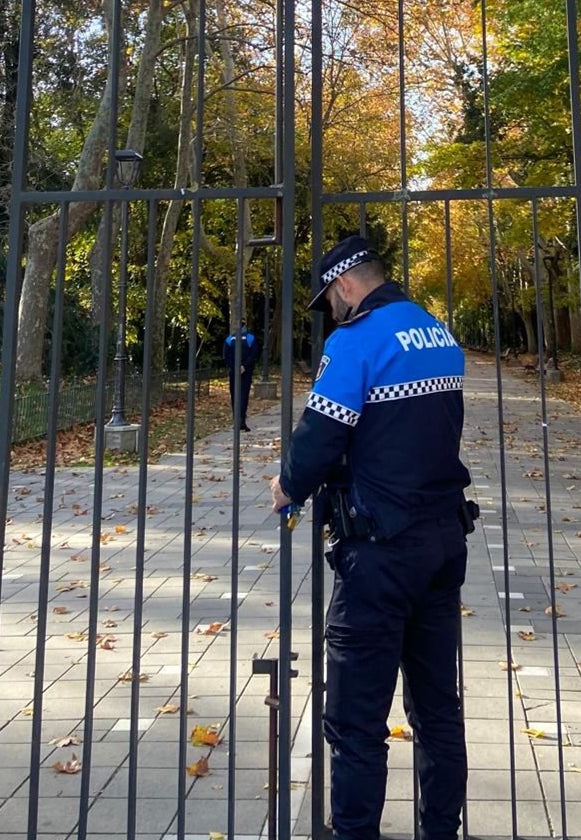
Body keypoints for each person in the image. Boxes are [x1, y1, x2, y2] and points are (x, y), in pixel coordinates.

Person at [269, 235, 477, 840]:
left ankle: (354, 831)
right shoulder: (436, 332)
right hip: (443, 542)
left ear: (344, 285)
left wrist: (288, 485)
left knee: (356, 719)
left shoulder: (355, 342)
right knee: (438, 708)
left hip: (380, 553)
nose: (329, 311)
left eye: (328, 298)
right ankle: (440, 830)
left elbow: (321, 436)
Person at [223, 320, 260, 432]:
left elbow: (225, 356)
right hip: (246, 371)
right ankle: (241, 420)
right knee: (244, 395)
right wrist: (244, 366)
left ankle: (237, 421)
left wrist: (234, 367)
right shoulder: (250, 338)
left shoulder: (230, 339)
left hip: (234, 371)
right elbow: (254, 354)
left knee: (235, 395)